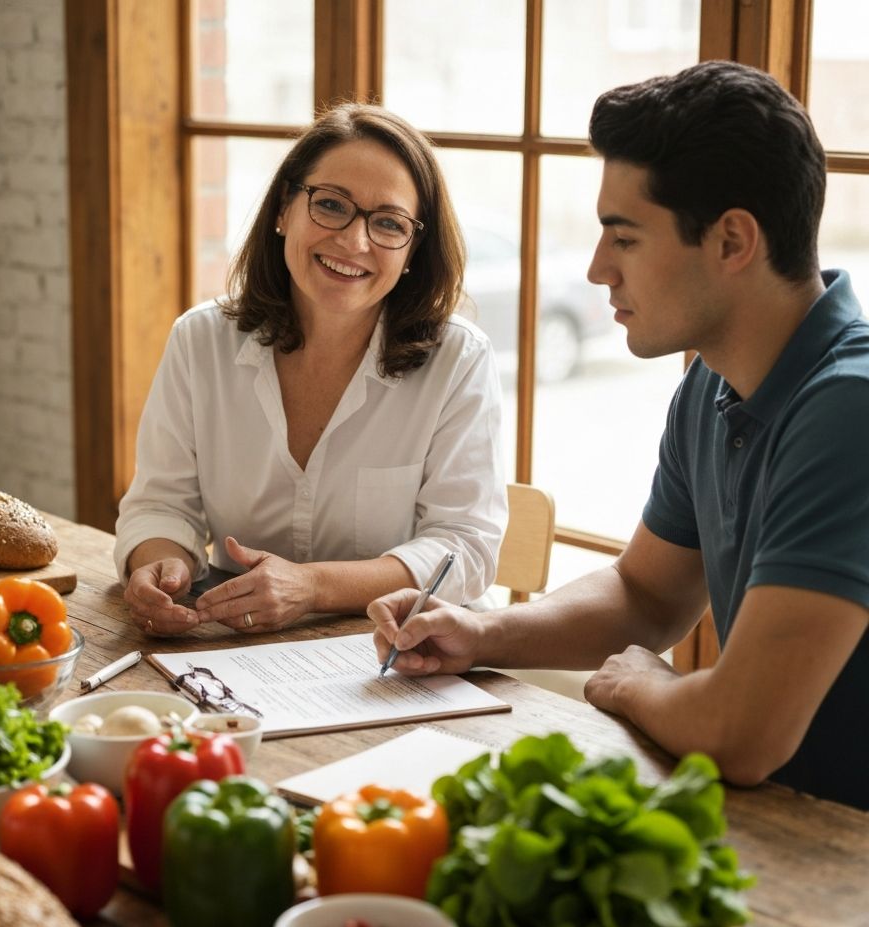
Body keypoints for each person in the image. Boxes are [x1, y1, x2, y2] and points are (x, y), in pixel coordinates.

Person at [369, 61, 869, 810]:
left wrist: (644, 686)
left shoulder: (850, 407)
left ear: (733, 240)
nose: (598, 269)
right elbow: (645, 594)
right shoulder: (713, 384)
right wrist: (479, 629)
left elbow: (742, 732)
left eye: (624, 238)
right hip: (787, 830)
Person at [115, 103, 507, 638]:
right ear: (284, 209)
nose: (354, 241)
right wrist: (160, 564)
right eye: (330, 205)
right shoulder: (199, 341)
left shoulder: (458, 361)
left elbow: (464, 547)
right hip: (235, 644)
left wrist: (313, 587)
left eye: (389, 222)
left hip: (399, 651)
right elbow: (161, 503)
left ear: (414, 248)